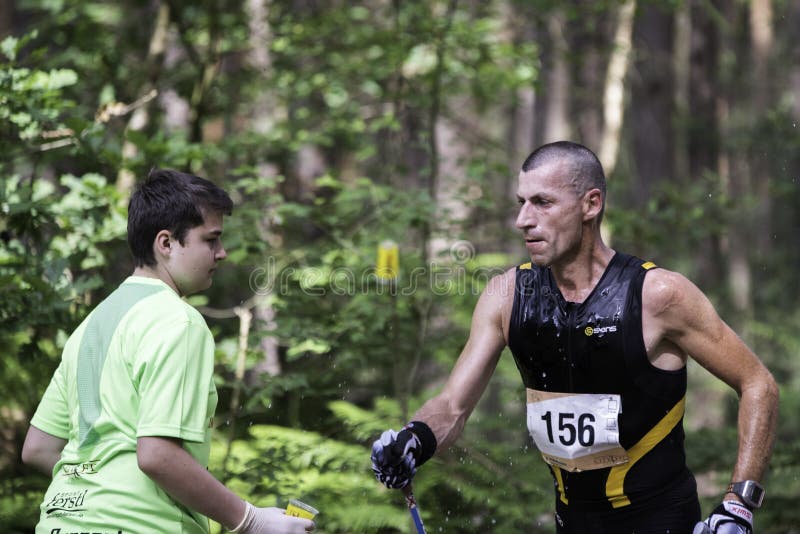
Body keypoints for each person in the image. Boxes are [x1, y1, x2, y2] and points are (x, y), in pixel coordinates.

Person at [371, 141, 779, 533]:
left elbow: (758, 383)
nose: (523, 220)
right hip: (571, 522)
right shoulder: (506, 296)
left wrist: (738, 506)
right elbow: (452, 406)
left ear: (591, 204)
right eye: (521, 203)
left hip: (662, 520)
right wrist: (415, 439)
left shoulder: (657, 295)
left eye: (543, 203)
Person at [22, 169, 314, 534]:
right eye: (211, 240)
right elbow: (157, 456)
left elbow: (37, 447)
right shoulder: (180, 322)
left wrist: (97, 490)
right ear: (166, 243)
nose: (222, 253)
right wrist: (251, 520)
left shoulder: (93, 324)